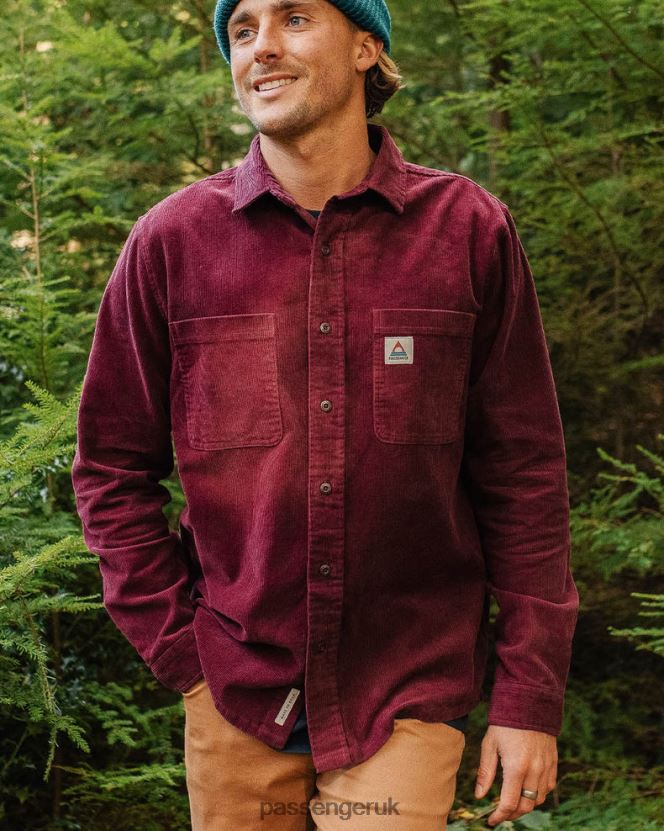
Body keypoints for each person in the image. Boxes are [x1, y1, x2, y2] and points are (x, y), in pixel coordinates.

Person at [70, 0, 580, 828]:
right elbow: (110, 469)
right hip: (235, 692)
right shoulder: (171, 242)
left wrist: (528, 695)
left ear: (366, 47)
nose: (261, 47)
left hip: (408, 688)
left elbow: (525, 476)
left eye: (295, 18)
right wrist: (180, 651)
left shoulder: (467, 230)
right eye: (242, 30)